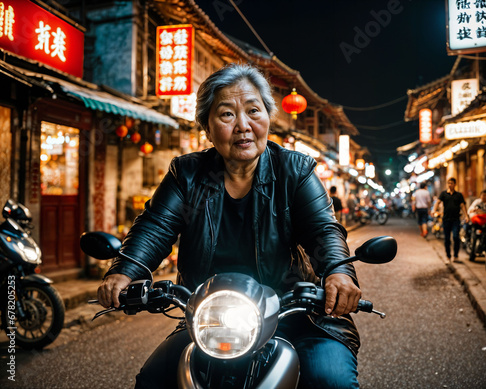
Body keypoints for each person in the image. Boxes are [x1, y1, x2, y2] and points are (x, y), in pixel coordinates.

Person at [97, 64, 361, 389]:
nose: (243, 126)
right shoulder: (187, 175)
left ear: (268, 117)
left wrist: (338, 272)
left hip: (295, 315)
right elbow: (155, 226)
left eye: (253, 111)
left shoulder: (295, 171)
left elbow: (323, 230)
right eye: (226, 115)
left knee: (329, 380)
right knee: (153, 381)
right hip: (213, 321)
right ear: (206, 128)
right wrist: (126, 270)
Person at [432, 177, 469, 262]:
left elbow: (462, 205)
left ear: (455, 184)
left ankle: (456, 255)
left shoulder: (459, 195)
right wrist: (434, 210)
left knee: (456, 237)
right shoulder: (444, 194)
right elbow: (438, 202)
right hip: (446, 219)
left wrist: (466, 215)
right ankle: (448, 256)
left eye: (451, 183)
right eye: (448, 183)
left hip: (456, 219)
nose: (450, 185)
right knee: (447, 239)